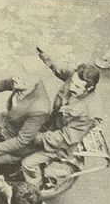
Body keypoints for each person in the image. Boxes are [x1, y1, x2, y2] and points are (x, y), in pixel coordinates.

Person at [20, 48, 101, 190]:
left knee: (27, 164)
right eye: (72, 82)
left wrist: (36, 137)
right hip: (53, 122)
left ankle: (35, 188)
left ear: (89, 89)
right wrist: (44, 54)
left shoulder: (88, 114)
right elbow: (59, 68)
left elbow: (64, 137)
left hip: (60, 143)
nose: (71, 87)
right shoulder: (75, 78)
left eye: (77, 87)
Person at [0, 64, 52, 167]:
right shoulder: (22, 81)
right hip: (5, 123)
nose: (14, 80)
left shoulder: (40, 109)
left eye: (18, 78)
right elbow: (5, 83)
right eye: (15, 77)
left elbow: (21, 141)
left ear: (31, 81)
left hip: (16, 146)